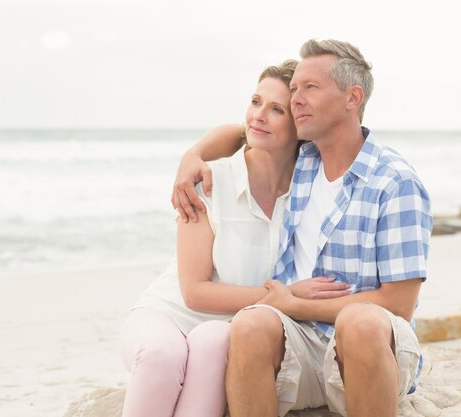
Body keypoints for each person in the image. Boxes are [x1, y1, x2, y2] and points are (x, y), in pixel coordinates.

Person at [172, 39, 433, 417]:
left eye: (310, 87)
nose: (296, 99)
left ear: (352, 98)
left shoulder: (395, 182)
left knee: (358, 321)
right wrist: (192, 156)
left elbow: (398, 304)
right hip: (301, 341)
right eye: (294, 90)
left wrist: (295, 303)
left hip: (369, 348)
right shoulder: (304, 159)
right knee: (250, 324)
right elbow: (246, 129)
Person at [119, 59, 351, 417]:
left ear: (300, 123)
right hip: (170, 313)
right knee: (164, 355)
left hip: (227, 327)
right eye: (255, 102)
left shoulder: (311, 190)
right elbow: (194, 291)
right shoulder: (208, 181)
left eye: (276, 109)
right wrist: (285, 297)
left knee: (213, 344)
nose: (258, 115)